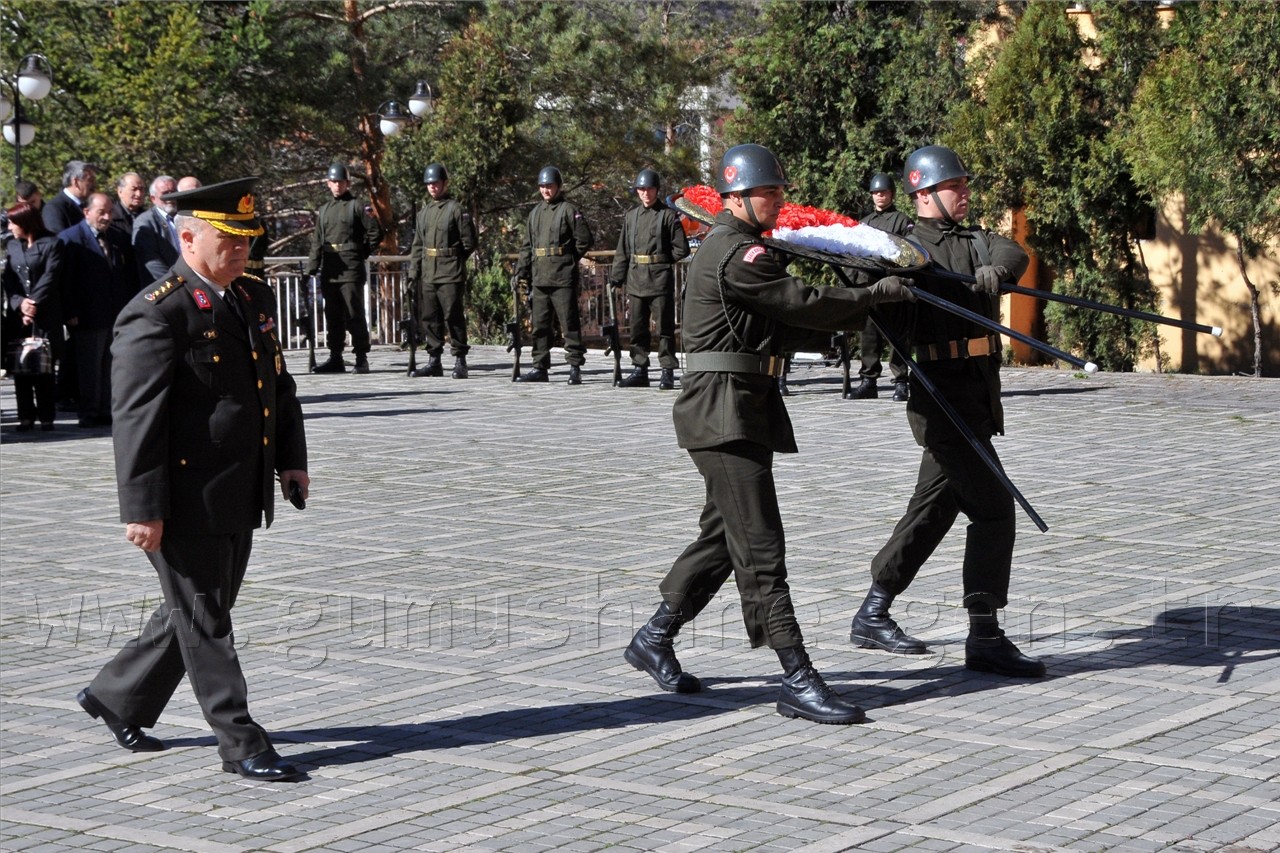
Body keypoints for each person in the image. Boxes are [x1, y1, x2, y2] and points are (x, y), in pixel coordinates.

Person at [623, 144, 915, 724]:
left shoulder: (741, 248)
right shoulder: (739, 253)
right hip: (723, 415)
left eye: (779, 191)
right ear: (736, 198)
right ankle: (797, 677)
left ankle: (654, 637)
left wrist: (854, 313)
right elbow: (798, 302)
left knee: (724, 536)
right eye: (768, 192)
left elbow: (773, 324)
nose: (778, 200)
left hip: (738, 408)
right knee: (760, 547)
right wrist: (870, 299)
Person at [76, 177, 309, 782]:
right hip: (183, 499)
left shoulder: (250, 296)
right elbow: (137, 421)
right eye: (228, 239)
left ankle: (116, 695)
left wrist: (291, 459)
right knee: (207, 621)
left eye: (247, 239)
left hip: (239, 488)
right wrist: (142, 508)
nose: (242, 249)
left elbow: (277, 386)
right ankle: (241, 742)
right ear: (187, 238)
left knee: (200, 607)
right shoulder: (157, 312)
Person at [848, 144, 1044, 678]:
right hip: (940, 397)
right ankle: (984, 635)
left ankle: (873, 611)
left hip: (976, 394)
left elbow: (1013, 252)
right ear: (924, 193)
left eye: (963, 185)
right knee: (994, 510)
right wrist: (892, 284)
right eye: (955, 186)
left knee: (934, 508)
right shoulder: (907, 248)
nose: (965, 193)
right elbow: (864, 279)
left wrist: (996, 272)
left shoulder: (976, 240)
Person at [608, 168, 690, 390]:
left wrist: (661, 261)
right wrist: (616, 277)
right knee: (637, 329)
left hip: (659, 280)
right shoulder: (631, 217)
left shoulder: (668, 215)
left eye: (650, 189)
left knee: (664, 329)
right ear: (637, 191)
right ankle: (639, 369)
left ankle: (667, 371)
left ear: (657, 190)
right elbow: (623, 251)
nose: (646, 193)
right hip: (636, 279)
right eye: (642, 189)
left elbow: (681, 248)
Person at [58, 193, 135, 427]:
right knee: (89, 366)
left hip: (115, 312)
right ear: (87, 212)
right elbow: (66, 279)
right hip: (87, 314)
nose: (107, 217)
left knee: (111, 364)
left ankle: (106, 409)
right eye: (101, 212)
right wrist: (70, 310)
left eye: (110, 212)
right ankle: (89, 411)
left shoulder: (117, 238)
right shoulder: (70, 239)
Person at [515, 165, 593, 384]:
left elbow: (584, 239)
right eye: (542, 186)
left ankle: (575, 366)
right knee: (540, 325)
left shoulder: (568, 210)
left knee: (569, 323)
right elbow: (527, 247)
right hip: (540, 277)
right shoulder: (535, 213)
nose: (545, 190)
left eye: (549, 186)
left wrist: (568, 259)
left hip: (562, 278)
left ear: (558, 186)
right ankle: (539, 366)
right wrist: (521, 271)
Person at [307, 163, 383, 375]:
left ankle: (361, 357)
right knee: (332, 315)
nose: (337, 185)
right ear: (328, 184)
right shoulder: (324, 210)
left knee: (354, 313)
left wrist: (361, 253)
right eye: (333, 181)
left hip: (351, 270)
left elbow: (376, 232)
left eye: (340, 181)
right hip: (330, 270)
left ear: (348, 183)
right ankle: (335, 357)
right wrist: (311, 267)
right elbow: (317, 241)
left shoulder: (357, 206)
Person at [408, 163, 478, 379]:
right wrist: (413, 272)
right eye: (429, 184)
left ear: (445, 183)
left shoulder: (456, 210)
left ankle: (460, 360)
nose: (432, 187)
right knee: (430, 318)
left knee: (453, 316)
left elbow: (469, 242)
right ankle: (434, 360)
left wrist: (454, 260)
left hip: (450, 273)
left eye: (436, 183)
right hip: (429, 272)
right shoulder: (424, 213)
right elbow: (417, 246)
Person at [851, 172, 915, 402]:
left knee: (898, 335)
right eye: (876, 192)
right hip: (869, 285)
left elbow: (909, 252)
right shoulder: (864, 223)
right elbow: (853, 253)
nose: (879, 196)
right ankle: (868, 380)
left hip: (892, 285)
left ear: (892, 194)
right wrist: (852, 283)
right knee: (868, 335)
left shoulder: (902, 220)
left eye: (884, 192)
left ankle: (901, 381)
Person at [3, 201, 64, 431]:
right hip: (19, 317)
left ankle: (47, 416)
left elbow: (51, 276)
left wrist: (33, 304)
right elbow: (9, 280)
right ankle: (25, 416)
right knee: (21, 365)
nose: (10, 227)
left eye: (13, 223)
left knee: (44, 366)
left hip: (45, 314)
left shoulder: (52, 244)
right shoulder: (12, 246)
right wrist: (20, 304)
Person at [133, 175, 180, 283]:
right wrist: (176, 282)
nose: (170, 197)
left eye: (173, 191)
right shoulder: (145, 222)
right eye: (165, 193)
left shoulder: (184, 217)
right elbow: (152, 262)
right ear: (153, 199)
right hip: (166, 285)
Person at [43, 160, 97, 234]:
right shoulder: (54, 208)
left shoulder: (88, 205)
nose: (94, 184)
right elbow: (58, 238)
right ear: (76, 182)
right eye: (90, 180)